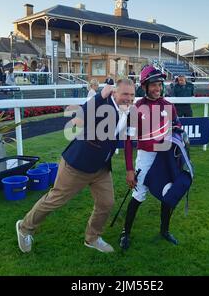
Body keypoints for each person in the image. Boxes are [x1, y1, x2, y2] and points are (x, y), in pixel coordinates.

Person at [16, 79, 136, 254]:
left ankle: (92, 238)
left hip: (101, 168)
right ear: (114, 93)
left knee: (106, 203)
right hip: (77, 165)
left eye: (132, 94)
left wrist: (130, 168)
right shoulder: (101, 102)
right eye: (125, 94)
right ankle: (25, 228)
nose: (129, 98)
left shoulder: (129, 110)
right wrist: (99, 96)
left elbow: (128, 139)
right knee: (54, 200)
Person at [120, 65, 182, 250]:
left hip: (165, 157)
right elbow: (128, 141)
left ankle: (164, 230)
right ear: (145, 86)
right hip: (145, 158)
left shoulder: (169, 106)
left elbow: (178, 127)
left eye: (160, 84)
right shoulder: (136, 108)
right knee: (138, 195)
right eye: (153, 84)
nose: (157, 88)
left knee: (168, 194)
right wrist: (130, 169)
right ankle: (126, 232)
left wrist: (180, 134)